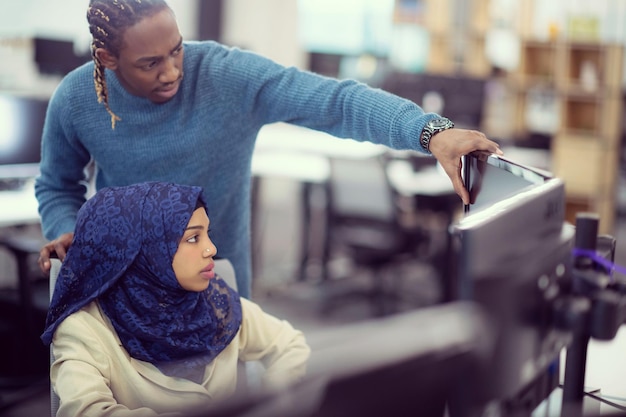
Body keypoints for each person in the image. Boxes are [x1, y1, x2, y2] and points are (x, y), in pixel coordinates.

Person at [35, 0, 503, 298]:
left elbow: (335, 101)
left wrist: (431, 131)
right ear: (107, 59)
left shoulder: (225, 75)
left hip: (216, 287)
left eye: (176, 50)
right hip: (122, 287)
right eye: (150, 63)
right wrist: (64, 228)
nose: (172, 71)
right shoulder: (76, 99)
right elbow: (58, 183)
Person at [41, 181, 311, 417]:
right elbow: (87, 411)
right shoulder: (84, 328)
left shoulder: (215, 301)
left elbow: (290, 345)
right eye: (193, 238)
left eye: (207, 233)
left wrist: (269, 405)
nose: (211, 248)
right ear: (144, 252)